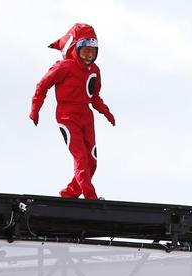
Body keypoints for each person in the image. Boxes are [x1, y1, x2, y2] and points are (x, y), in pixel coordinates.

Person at [30, 23, 116, 200]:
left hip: (86, 116)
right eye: (85, 51)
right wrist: (35, 109)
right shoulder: (64, 67)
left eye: (92, 52)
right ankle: (89, 195)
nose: (88, 56)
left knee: (92, 161)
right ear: (76, 49)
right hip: (67, 116)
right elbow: (42, 85)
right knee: (81, 157)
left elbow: (94, 96)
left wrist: (106, 112)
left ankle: (70, 193)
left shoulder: (95, 71)